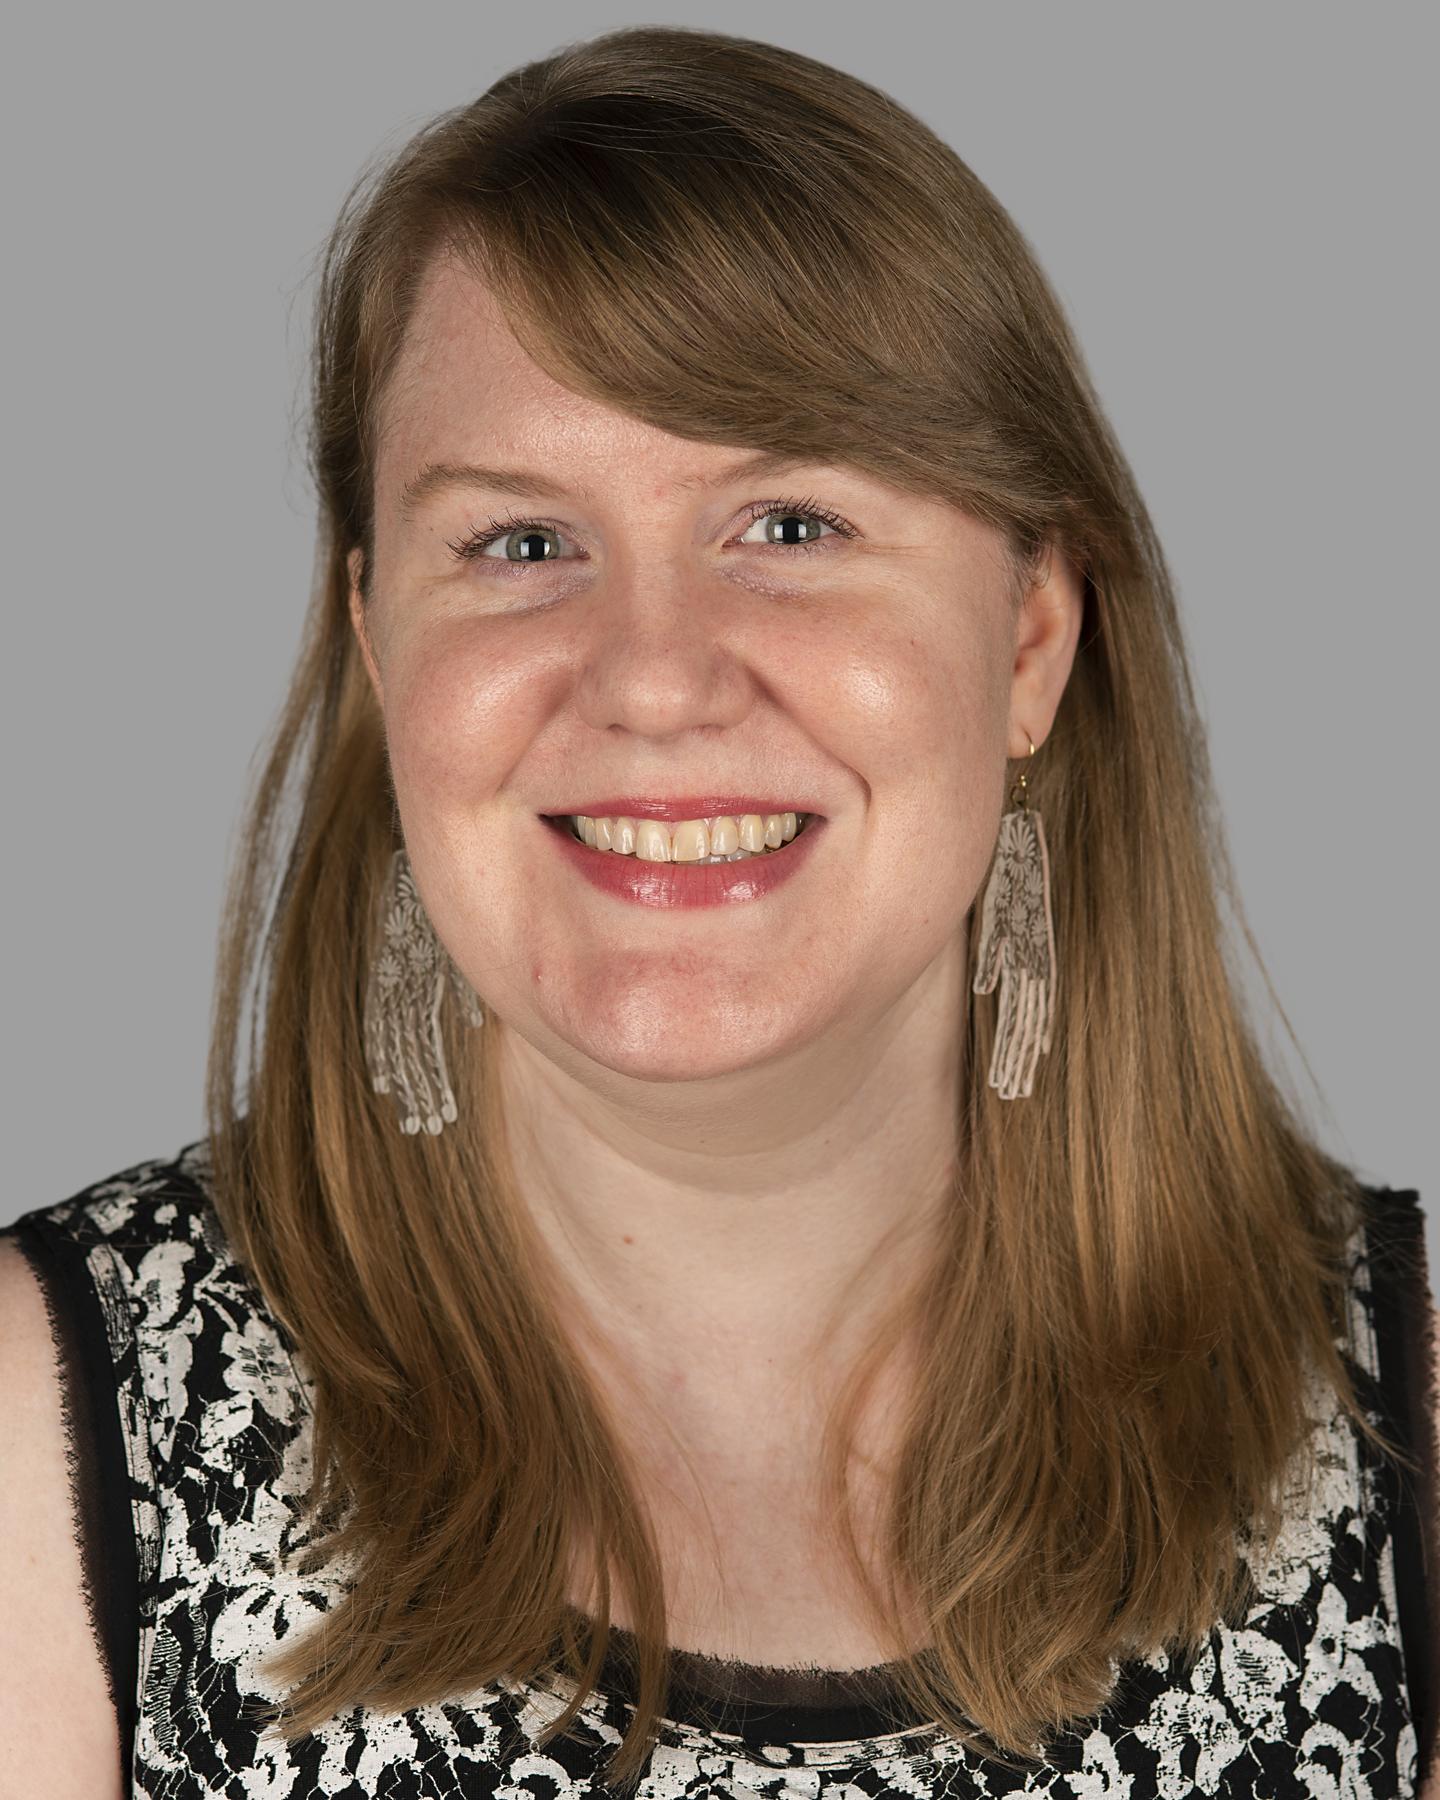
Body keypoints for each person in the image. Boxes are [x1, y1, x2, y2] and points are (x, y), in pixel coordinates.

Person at [2, 22, 1435, 1800]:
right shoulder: (43, 1452)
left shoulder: (1409, 1430)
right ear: (382, 654)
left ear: (1033, 638)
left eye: (791, 523)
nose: (656, 680)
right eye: (521, 545)